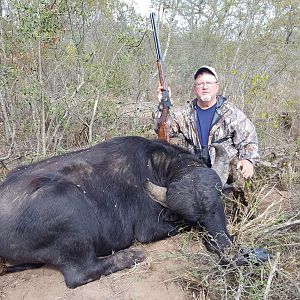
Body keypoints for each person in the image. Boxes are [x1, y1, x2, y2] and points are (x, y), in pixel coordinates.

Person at [154, 65, 259, 204]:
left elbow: (249, 138)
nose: (205, 87)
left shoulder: (231, 113)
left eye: (209, 83)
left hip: (224, 163)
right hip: (195, 165)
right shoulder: (185, 113)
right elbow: (162, 128)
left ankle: (244, 215)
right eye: (200, 84)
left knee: (242, 172)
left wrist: (248, 160)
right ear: (194, 89)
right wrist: (163, 104)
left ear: (216, 87)